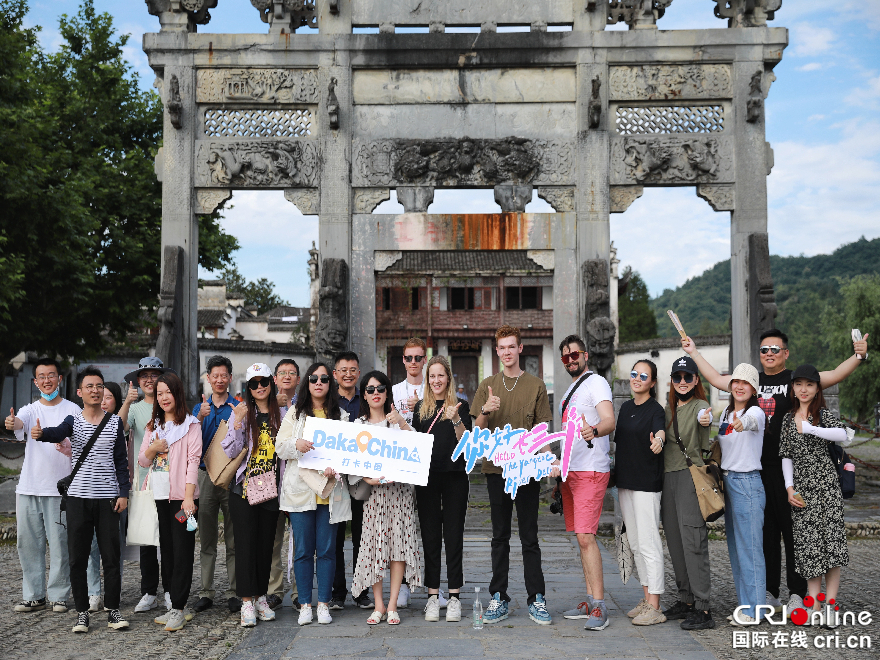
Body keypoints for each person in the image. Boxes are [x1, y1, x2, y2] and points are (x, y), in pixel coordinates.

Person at [682, 330, 868, 613]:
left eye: (775, 349)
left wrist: (858, 355)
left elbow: (833, 375)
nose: (769, 353)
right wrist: (693, 352)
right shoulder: (751, 381)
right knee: (764, 532)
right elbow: (718, 380)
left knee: (793, 528)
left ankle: (797, 590)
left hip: (793, 467)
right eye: (764, 349)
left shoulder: (795, 380)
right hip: (758, 468)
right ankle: (769, 591)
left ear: (785, 353)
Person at [33, 366, 130, 633]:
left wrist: (123, 493)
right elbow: (57, 432)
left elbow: (121, 463)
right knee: (78, 557)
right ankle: (82, 612)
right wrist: (42, 434)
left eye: (99, 386)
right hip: (77, 498)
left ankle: (113, 610)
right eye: (90, 386)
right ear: (80, 392)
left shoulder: (114, 423)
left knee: (111, 556)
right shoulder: (73, 420)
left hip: (108, 499)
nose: (95, 391)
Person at [471, 325, 555, 626]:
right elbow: (475, 432)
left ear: (520, 349)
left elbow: (543, 430)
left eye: (511, 347)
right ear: (497, 351)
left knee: (529, 536)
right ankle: (499, 596)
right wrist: (486, 409)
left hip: (527, 470)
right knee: (499, 536)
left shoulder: (535, 385)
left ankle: (537, 598)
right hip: (496, 470)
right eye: (501, 348)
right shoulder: (488, 384)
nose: (506, 352)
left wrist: (549, 460)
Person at [685, 356, 767, 625]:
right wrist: (704, 419)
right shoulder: (726, 414)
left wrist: (744, 423)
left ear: (754, 390)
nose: (740, 387)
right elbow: (719, 440)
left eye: (746, 383)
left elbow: (752, 421)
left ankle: (756, 609)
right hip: (728, 483)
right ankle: (746, 606)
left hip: (748, 484)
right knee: (735, 548)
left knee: (751, 550)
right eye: (736, 382)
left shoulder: (755, 413)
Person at [276, 362, 352, 626]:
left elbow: (348, 453)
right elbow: (280, 447)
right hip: (301, 492)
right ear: (306, 383)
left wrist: (337, 466)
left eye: (323, 378)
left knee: (329, 551)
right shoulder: (295, 415)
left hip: (330, 493)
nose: (318, 382)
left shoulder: (341, 416)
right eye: (313, 378)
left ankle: (324, 603)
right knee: (304, 551)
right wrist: (296, 445)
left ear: (330, 384)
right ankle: (305, 603)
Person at [6, 357, 80, 614]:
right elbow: (19, 424)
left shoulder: (74, 410)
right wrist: (12, 423)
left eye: (51, 375)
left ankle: (58, 596)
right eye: (42, 376)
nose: (47, 381)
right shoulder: (30, 409)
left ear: (60, 378)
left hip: (58, 489)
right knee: (28, 543)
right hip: (28, 487)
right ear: (35, 381)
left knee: (59, 544)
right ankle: (33, 595)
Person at [780, 365, 851, 628]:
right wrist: (789, 488)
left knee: (832, 549)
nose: (804, 389)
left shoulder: (822, 415)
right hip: (802, 493)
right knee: (810, 551)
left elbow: (844, 434)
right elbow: (786, 456)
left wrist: (811, 428)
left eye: (809, 385)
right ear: (793, 388)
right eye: (799, 384)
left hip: (828, 490)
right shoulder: (788, 419)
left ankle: (830, 605)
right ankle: (814, 604)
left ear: (817, 388)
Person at [350, 371, 422, 626]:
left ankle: (392, 605)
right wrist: (366, 478)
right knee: (374, 547)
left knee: (398, 547)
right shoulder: (358, 425)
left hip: (399, 493)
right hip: (374, 496)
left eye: (380, 388)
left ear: (387, 392)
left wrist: (402, 422)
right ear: (364, 395)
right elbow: (351, 461)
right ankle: (378, 604)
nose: (376, 392)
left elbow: (418, 449)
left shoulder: (397, 422)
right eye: (370, 389)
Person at [553, 335, 616, 631]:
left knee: (586, 536)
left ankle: (600, 605)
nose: (570, 360)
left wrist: (594, 430)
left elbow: (609, 420)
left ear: (586, 355)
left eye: (574, 354)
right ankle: (591, 599)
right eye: (565, 357)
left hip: (591, 468)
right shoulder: (569, 390)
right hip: (571, 470)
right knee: (581, 537)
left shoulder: (596, 383)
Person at [137, 372, 201, 632]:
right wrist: (154, 447)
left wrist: (188, 498)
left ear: (178, 393)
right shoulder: (154, 426)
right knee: (167, 551)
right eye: (160, 393)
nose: (164, 397)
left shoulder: (191, 425)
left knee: (183, 552)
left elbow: (193, 462)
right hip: (158, 497)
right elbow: (143, 460)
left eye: (168, 392)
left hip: (180, 499)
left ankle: (179, 608)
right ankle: (175, 604)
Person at [221, 364, 285, 627]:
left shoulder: (283, 413)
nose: (259, 387)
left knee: (265, 544)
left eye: (264, 382)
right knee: (244, 544)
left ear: (271, 383)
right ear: (248, 388)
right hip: (244, 487)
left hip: (271, 487)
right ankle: (246, 601)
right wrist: (236, 422)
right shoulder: (243, 412)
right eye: (254, 384)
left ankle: (260, 597)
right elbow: (229, 449)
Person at [412, 356, 471, 623]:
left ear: (448, 378)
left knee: (454, 536)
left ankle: (455, 596)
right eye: (431, 376)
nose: (436, 381)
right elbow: (412, 443)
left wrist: (457, 418)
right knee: (431, 537)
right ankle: (433, 596)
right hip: (427, 480)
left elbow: (466, 445)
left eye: (440, 376)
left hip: (455, 477)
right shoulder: (420, 410)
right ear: (428, 380)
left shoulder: (461, 406)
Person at [660, 356, 715, 630]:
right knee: (675, 541)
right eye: (677, 377)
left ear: (696, 380)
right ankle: (686, 599)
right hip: (667, 478)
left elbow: (706, 417)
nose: (682, 382)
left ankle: (703, 608)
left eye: (688, 377)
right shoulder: (667, 409)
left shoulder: (700, 406)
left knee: (693, 541)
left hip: (690, 477)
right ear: (671, 381)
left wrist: (707, 418)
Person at [611, 360, 667, 626]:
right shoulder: (625, 408)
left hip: (646, 484)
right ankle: (646, 599)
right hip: (626, 483)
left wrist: (658, 439)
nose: (637, 379)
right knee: (634, 544)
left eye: (643, 376)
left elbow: (660, 432)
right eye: (634, 374)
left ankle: (655, 606)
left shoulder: (656, 409)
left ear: (652, 383)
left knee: (648, 543)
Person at [122, 356, 171, 613]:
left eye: (154, 375)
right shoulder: (135, 408)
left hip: (171, 482)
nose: (149, 380)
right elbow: (117, 428)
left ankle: (172, 590)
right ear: (138, 382)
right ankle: (149, 591)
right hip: (144, 481)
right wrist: (128, 401)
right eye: (144, 376)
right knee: (147, 541)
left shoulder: (170, 405)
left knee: (171, 539)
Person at [192, 355, 238, 614]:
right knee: (207, 537)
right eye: (214, 376)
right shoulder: (199, 409)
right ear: (208, 378)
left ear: (230, 378)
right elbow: (187, 440)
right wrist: (198, 417)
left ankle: (233, 591)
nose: (219, 380)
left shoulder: (238, 407)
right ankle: (206, 591)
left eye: (224, 375)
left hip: (231, 476)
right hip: (205, 476)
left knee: (233, 539)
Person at [85, 382, 132, 613]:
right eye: (100, 396)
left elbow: (122, 464)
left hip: (113, 495)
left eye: (109, 397)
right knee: (91, 546)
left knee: (114, 549)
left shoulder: (117, 426)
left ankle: (114, 593)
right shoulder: (84, 422)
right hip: (88, 494)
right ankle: (93, 592)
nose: (103, 400)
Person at [330, 351, 369, 610]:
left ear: (358, 372)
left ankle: (361, 590)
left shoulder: (365, 399)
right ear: (335, 374)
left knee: (361, 535)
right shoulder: (326, 400)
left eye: (352, 369)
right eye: (342, 369)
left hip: (361, 477)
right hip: (332, 478)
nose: (347, 373)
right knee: (333, 537)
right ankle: (337, 592)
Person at [269, 358, 302, 610]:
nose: (287, 376)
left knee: (300, 540)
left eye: (292, 373)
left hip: (299, 482)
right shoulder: (265, 406)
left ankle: (299, 590)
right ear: (275, 379)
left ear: (299, 379)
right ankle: (274, 589)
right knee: (274, 539)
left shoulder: (306, 406)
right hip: (271, 481)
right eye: (283, 373)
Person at [392, 338, 427, 428]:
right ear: (404, 359)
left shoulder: (433, 390)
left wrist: (420, 407)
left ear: (425, 359)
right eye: (409, 358)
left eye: (418, 358)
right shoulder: (394, 390)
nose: (413, 362)